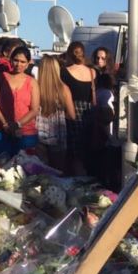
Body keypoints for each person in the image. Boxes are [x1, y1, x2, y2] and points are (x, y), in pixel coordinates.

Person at [0, 46, 40, 159]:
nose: (18, 64)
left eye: (22, 62)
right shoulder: (1, 77)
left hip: (25, 132)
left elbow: (35, 109)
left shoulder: (32, 82)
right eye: (16, 60)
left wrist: (17, 124)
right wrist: (5, 123)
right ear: (11, 60)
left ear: (28, 63)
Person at [60, 42, 96, 175]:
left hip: (72, 112)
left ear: (69, 54)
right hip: (89, 112)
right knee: (87, 149)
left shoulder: (65, 72)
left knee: (74, 152)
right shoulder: (92, 72)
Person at [36, 55, 74, 173]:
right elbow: (72, 115)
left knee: (39, 173)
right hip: (58, 134)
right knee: (57, 173)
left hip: (38, 134)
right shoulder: (64, 89)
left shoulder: (35, 87)